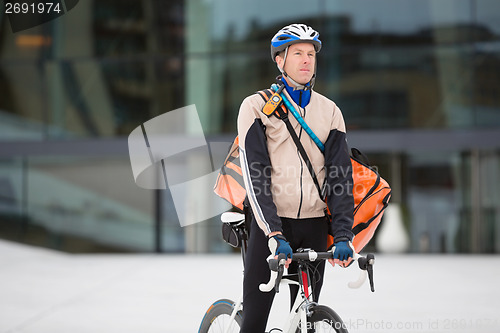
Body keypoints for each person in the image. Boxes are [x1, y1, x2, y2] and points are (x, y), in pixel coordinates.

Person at [237, 23, 355, 333]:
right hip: (270, 227)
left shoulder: (330, 112)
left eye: (311, 54)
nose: (306, 60)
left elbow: (341, 177)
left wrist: (343, 235)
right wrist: (274, 234)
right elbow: (256, 175)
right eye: (298, 53)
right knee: (254, 322)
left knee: (307, 322)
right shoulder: (256, 107)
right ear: (280, 60)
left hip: (314, 225)